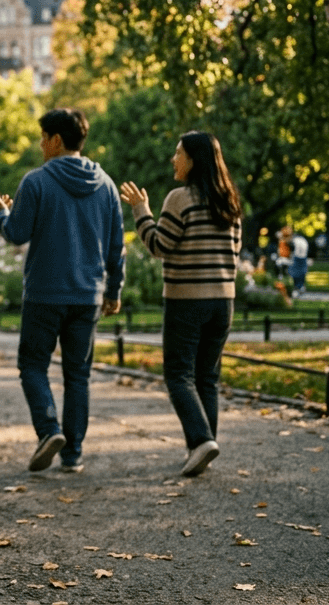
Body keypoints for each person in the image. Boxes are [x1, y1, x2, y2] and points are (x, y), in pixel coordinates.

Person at [0, 108, 124, 474]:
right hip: (88, 296)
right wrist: (114, 289)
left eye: (42, 138)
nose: (39, 145)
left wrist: (2, 214)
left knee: (32, 365)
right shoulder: (107, 185)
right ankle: (73, 454)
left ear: (56, 141)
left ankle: (49, 429)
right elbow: (116, 245)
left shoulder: (36, 182)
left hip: (44, 293)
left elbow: (16, 233)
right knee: (77, 374)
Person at [120, 131, 242, 477]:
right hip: (223, 302)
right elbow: (234, 254)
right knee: (207, 377)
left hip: (187, 300)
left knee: (178, 373)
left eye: (178, 153)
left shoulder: (180, 198)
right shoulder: (229, 202)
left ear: (194, 159)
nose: (174, 159)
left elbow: (160, 246)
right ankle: (202, 446)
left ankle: (201, 439)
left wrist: (140, 210)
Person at [286, 226, 309, 295]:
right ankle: (300, 287)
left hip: (297, 258)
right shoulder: (303, 240)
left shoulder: (295, 240)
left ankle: (297, 288)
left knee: (294, 273)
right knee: (301, 273)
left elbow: (292, 248)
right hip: (303, 257)